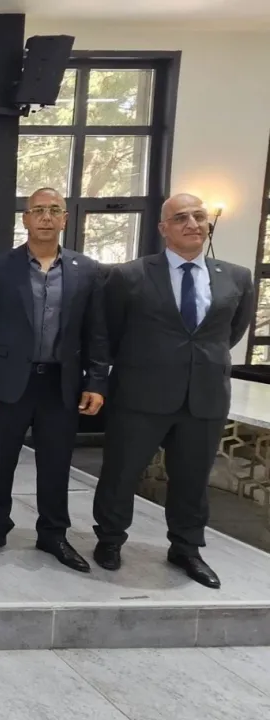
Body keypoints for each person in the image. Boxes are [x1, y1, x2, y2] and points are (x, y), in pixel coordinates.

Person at [92, 193, 255, 589]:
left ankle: (186, 547)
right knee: (121, 472)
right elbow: (107, 332)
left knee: (193, 479)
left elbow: (231, 332)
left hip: (204, 396)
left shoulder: (236, 277)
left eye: (199, 216)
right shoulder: (129, 276)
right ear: (163, 228)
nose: (192, 223)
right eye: (181, 217)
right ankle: (110, 539)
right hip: (140, 395)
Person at [0, 188, 109, 573]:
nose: (46, 217)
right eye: (38, 210)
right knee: (0, 460)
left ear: (65, 219)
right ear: (26, 218)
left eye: (54, 210)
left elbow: (97, 333)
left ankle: (53, 533)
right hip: (8, 381)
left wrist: (96, 382)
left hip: (61, 384)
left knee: (56, 462)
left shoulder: (87, 270)